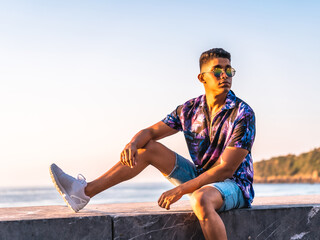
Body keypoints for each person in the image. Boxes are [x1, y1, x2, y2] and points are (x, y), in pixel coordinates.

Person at [50, 48, 256, 240]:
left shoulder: (243, 113)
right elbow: (150, 132)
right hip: (201, 177)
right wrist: (132, 144)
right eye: (217, 70)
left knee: (200, 199)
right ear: (202, 77)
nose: (225, 76)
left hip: (234, 184)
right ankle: (82, 193)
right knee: (147, 147)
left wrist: (181, 190)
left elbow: (225, 170)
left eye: (229, 70)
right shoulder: (190, 109)